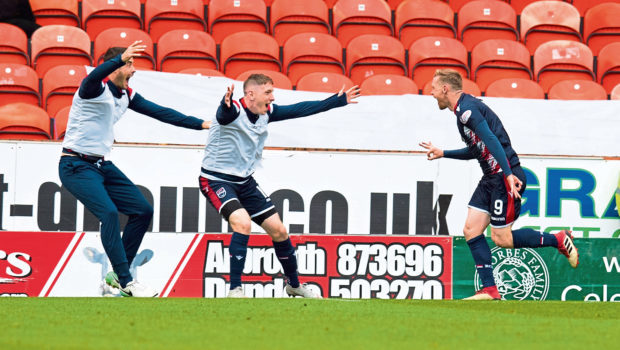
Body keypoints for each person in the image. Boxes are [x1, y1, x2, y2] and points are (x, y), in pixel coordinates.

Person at [59, 41, 210, 297]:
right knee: (108, 213)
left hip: (100, 164)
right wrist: (118, 59)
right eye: (130, 64)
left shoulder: (127, 95)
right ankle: (128, 282)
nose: (134, 70)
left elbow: (162, 113)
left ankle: (118, 275)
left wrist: (202, 124)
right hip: (75, 164)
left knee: (142, 210)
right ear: (115, 66)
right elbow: (95, 75)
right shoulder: (93, 89)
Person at [420, 69, 579, 300]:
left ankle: (558, 239)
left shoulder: (467, 110)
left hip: (505, 178)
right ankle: (489, 290)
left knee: (502, 239)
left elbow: (492, 140)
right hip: (491, 178)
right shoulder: (462, 113)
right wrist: (444, 152)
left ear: (445, 88)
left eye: (433, 88)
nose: (432, 94)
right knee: (471, 230)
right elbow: (478, 149)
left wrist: (507, 174)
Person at [199, 74, 360, 298]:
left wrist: (336, 101)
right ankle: (235, 289)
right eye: (268, 93)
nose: (273, 98)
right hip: (216, 180)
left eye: (272, 93)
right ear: (250, 94)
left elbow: (300, 109)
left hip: (245, 182)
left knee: (279, 231)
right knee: (243, 223)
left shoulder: (267, 113)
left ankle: (294, 285)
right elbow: (223, 115)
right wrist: (223, 104)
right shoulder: (233, 110)